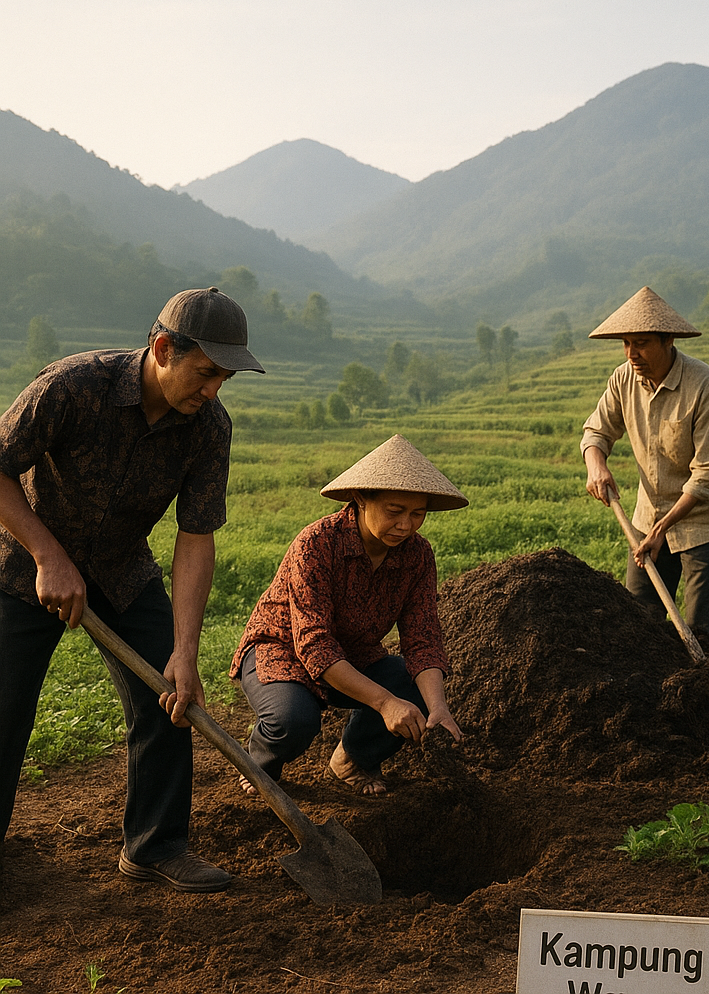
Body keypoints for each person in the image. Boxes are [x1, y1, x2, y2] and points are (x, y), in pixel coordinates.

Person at [0, 286, 264, 892]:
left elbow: (195, 537)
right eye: (205, 373)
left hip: (121, 571)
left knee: (170, 699)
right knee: (4, 713)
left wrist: (186, 650)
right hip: (21, 565)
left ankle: (155, 845)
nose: (213, 390)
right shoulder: (72, 386)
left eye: (224, 378)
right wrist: (49, 555)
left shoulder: (207, 429)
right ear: (163, 347)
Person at [230, 434, 467, 796]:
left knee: (416, 691)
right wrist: (385, 703)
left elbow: (423, 637)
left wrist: (438, 709)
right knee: (292, 721)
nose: (406, 524)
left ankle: (353, 758)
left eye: (417, 514)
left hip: (355, 655)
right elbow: (314, 644)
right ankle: (261, 762)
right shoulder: (317, 544)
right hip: (283, 652)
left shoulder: (417, 555)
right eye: (394, 511)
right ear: (360, 500)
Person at [581, 286, 709, 649]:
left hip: (702, 524)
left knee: (704, 629)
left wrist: (663, 528)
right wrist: (596, 465)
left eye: (642, 343)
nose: (632, 354)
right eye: (626, 344)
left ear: (668, 340)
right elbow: (596, 431)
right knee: (637, 618)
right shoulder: (623, 379)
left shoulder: (706, 385)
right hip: (647, 518)